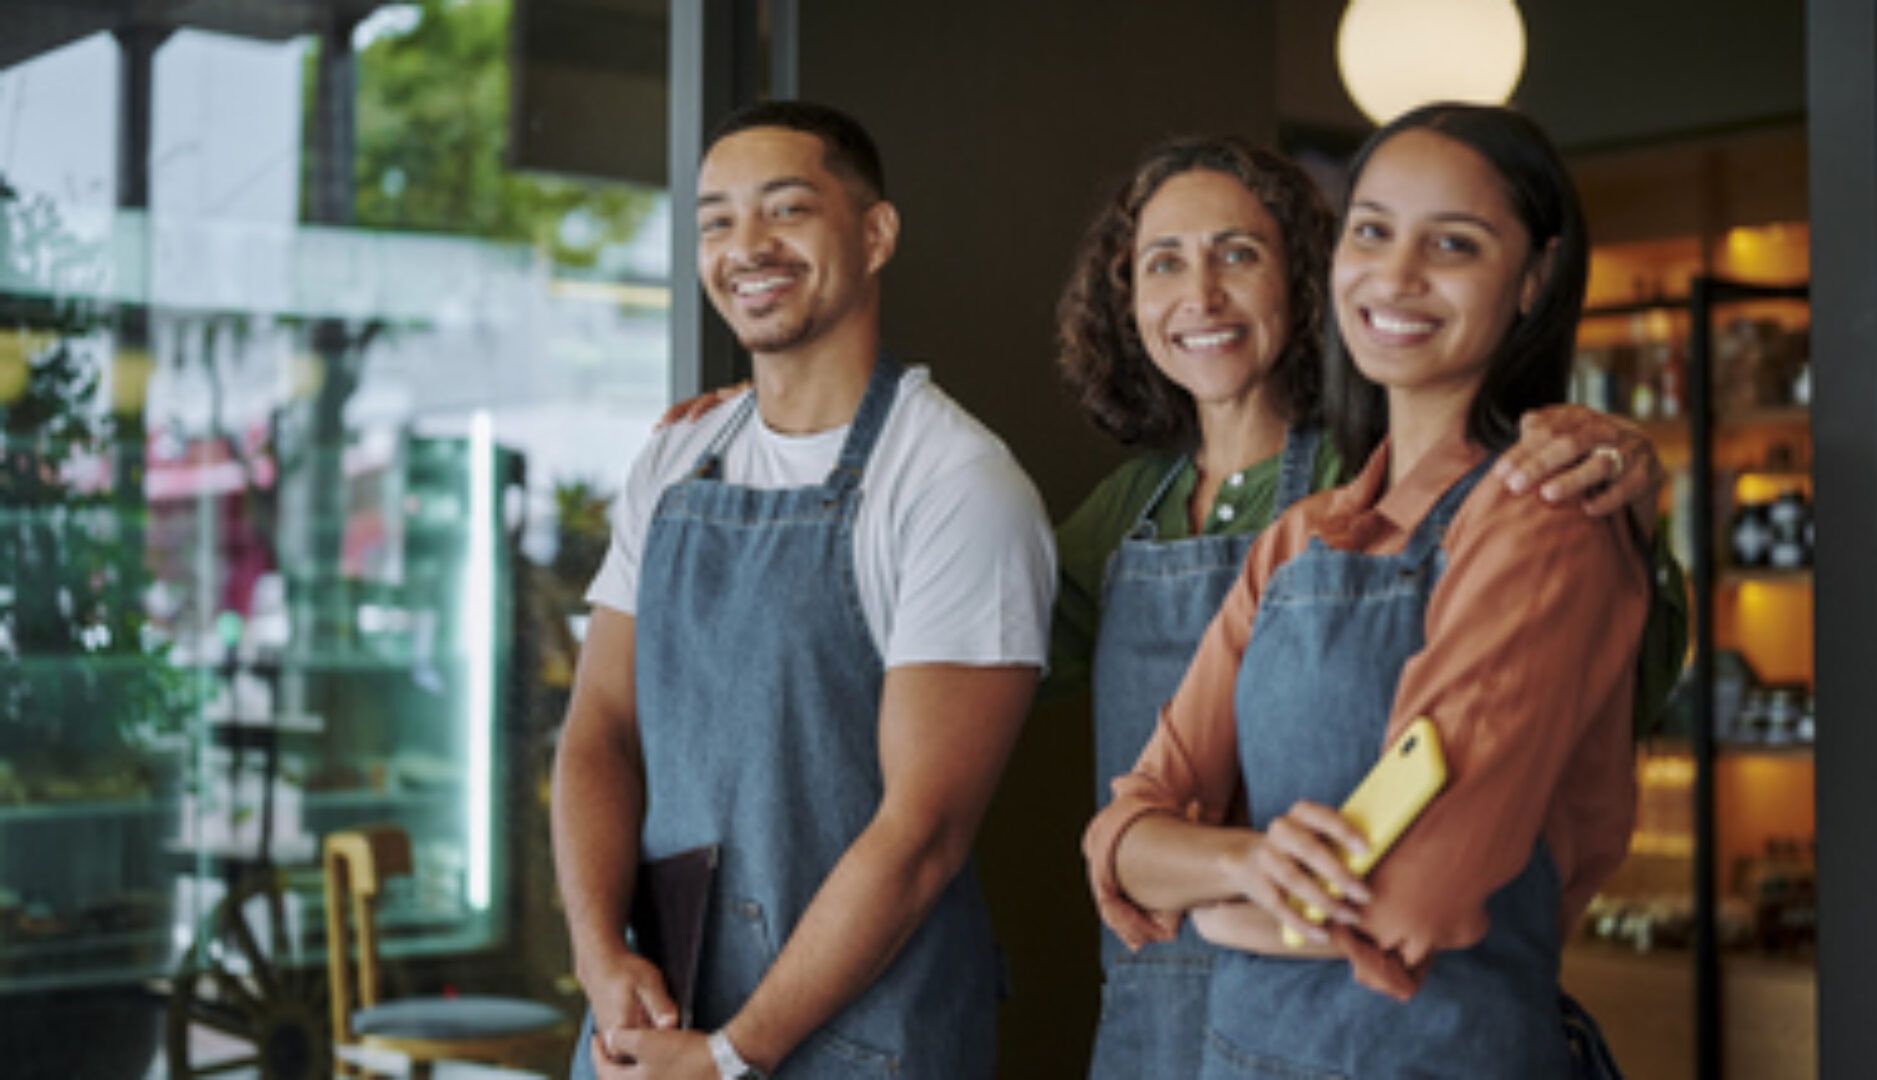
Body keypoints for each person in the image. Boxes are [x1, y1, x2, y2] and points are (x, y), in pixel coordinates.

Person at [1053, 136, 1677, 1078]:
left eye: (1239, 255)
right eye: (1164, 261)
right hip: (1190, 1022)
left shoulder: (1526, 502)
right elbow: (1120, 826)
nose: (1201, 292)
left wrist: (1210, 890)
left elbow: (1418, 889)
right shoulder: (1252, 527)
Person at [551, 100, 1055, 1080]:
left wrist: (735, 1055)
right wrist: (598, 955)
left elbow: (923, 834)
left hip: (861, 1042)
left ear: (876, 234)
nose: (747, 247)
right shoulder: (676, 459)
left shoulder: (956, 484)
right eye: (716, 221)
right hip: (654, 1025)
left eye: (785, 209)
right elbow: (599, 727)